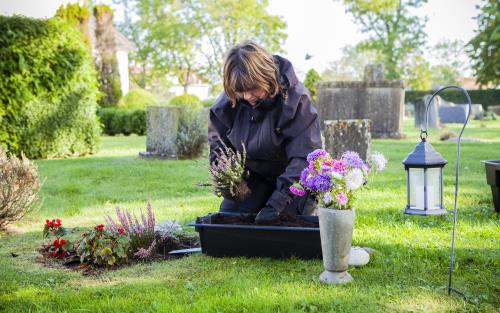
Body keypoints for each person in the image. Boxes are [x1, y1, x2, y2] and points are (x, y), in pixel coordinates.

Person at [208, 41, 322, 223]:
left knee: (285, 225)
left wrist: (277, 204)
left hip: (292, 177)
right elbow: (219, 152)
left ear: (266, 78)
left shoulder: (296, 101)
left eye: (253, 89)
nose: (247, 96)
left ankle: (304, 206)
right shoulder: (225, 107)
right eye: (240, 91)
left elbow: (304, 158)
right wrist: (232, 184)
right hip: (253, 177)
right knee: (233, 222)